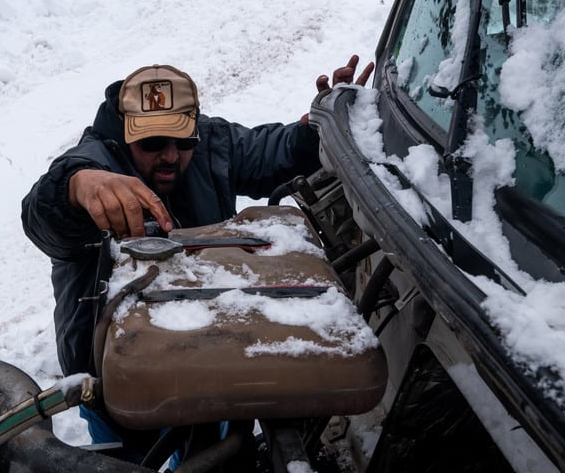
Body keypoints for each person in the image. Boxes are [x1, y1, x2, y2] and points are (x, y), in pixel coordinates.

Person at [20, 56, 372, 449]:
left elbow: (273, 152)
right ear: (125, 134)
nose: (170, 155)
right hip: (118, 371)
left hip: (206, 355)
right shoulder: (96, 163)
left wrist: (315, 131)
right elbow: (42, 219)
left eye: (182, 140)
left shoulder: (213, 143)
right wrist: (77, 186)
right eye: (153, 143)